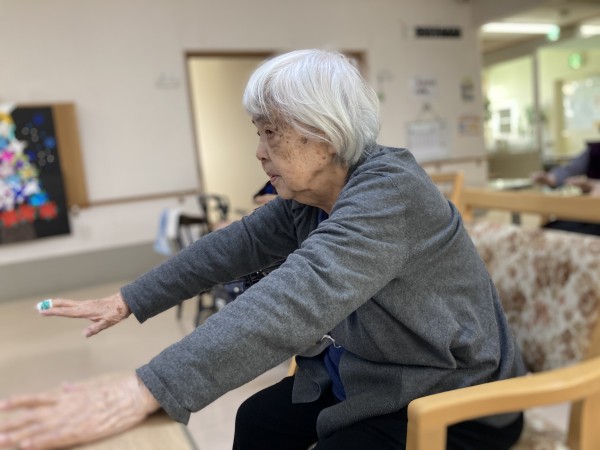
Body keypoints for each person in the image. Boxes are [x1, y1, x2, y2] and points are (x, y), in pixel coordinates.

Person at [0, 49, 526, 450]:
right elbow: (235, 245)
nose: (259, 151)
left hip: (454, 398)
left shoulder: (391, 193)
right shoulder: (312, 195)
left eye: (271, 132)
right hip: (377, 375)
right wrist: (129, 299)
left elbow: (293, 300)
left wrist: (146, 389)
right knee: (257, 420)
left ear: (324, 135)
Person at [531, 140, 600, 235]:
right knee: (547, 232)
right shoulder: (594, 151)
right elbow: (570, 169)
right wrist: (550, 178)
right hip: (589, 211)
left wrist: (595, 185)